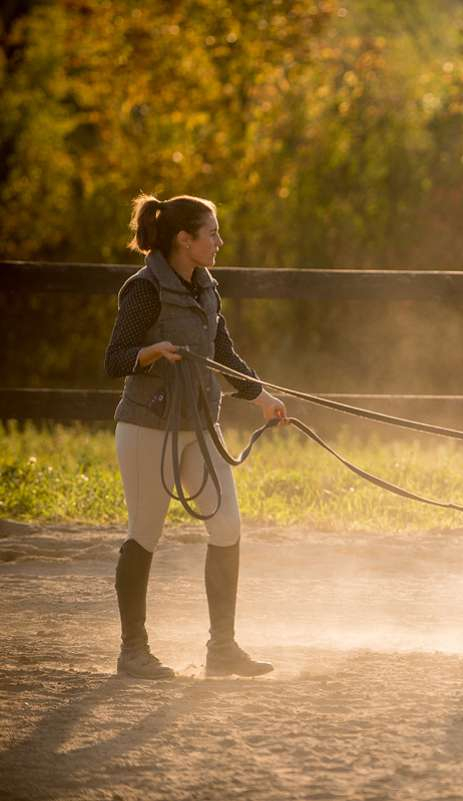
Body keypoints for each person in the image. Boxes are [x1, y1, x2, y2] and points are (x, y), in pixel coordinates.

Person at [104, 193, 287, 679]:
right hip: (148, 426)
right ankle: (133, 651)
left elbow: (222, 351)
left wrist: (262, 397)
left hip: (200, 425)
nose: (219, 242)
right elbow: (115, 358)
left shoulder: (207, 288)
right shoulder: (142, 290)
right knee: (144, 533)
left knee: (227, 526)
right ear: (184, 240)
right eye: (212, 234)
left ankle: (222, 648)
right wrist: (153, 351)